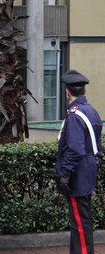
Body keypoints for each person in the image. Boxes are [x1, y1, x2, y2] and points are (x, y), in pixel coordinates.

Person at [56, 70, 103, 254]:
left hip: (77, 174)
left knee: (80, 222)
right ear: (84, 91)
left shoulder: (75, 114)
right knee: (81, 220)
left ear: (67, 93)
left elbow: (75, 149)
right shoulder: (92, 111)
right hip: (87, 171)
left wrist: (65, 174)